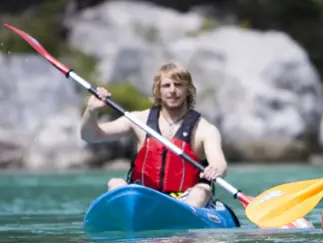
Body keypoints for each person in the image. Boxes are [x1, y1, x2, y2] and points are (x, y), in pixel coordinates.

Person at [80, 61, 227, 208]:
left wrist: (215, 169)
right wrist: (91, 110)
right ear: (158, 90)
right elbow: (90, 136)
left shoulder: (204, 129)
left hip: (184, 199)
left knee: (202, 190)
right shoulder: (138, 120)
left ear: (188, 89)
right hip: (144, 195)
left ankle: (182, 221)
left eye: (178, 85)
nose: (172, 90)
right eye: (166, 85)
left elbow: (220, 164)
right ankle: (130, 217)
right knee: (115, 183)